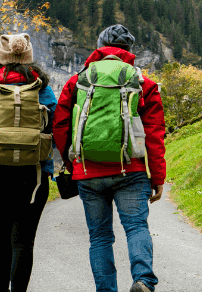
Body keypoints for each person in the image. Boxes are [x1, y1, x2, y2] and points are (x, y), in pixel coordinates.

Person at [53, 24, 167, 292]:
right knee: (136, 226)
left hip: (88, 172)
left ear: (99, 48)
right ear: (128, 51)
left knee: (100, 238)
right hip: (131, 171)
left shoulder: (78, 81)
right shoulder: (142, 83)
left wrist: (74, 165)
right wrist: (158, 177)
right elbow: (154, 134)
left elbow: (59, 126)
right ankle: (143, 280)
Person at [0, 33, 57, 292]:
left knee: (2, 241)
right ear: (28, 57)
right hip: (34, 176)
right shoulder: (42, 87)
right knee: (24, 242)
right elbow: (53, 130)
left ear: (0, 57)